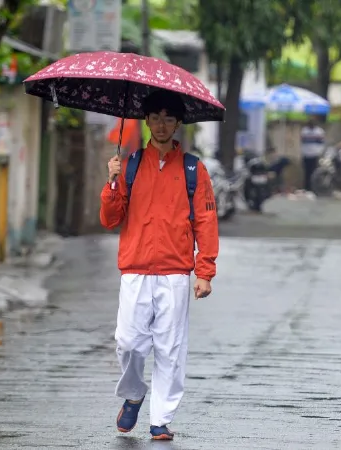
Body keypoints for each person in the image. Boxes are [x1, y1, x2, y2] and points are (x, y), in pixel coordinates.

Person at [100, 89, 219, 440]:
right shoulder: (131, 165)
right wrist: (111, 181)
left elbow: (206, 221)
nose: (162, 124)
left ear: (178, 123)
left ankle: (160, 419)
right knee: (128, 342)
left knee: (170, 348)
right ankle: (134, 394)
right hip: (135, 269)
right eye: (155, 118)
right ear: (147, 121)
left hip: (175, 273)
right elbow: (110, 219)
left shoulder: (194, 169)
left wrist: (205, 271)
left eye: (169, 118)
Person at [300, 117, 326, 191]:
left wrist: (320, 152)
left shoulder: (319, 131)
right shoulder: (304, 131)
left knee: (314, 172)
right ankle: (306, 187)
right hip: (306, 154)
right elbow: (302, 142)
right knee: (306, 172)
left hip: (315, 154)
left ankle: (313, 188)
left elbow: (322, 143)